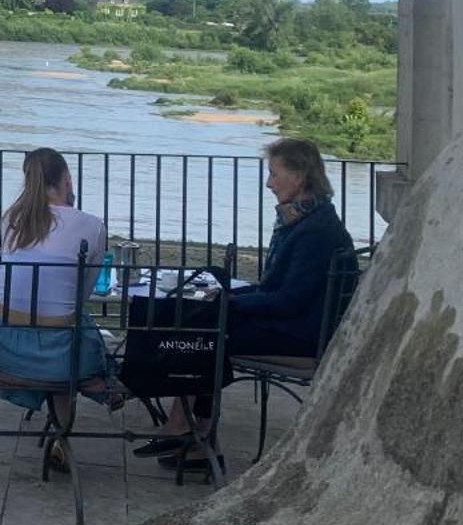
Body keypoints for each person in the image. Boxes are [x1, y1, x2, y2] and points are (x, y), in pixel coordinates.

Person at [139, 135, 358, 474]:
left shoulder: (313, 231)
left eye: (274, 173)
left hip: (301, 335)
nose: (269, 183)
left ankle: (188, 433)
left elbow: (289, 300)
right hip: (294, 324)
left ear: (298, 177)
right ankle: (192, 437)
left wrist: (230, 304)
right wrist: (227, 298)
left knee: (207, 336)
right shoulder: (305, 220)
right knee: (204, 326)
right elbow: (276, 289)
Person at [0, 148, 116, 472]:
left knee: (52, 332)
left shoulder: (10, 219)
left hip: (7, 352)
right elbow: (83, 295)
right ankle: (75, 420)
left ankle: (67, 427)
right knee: (73, 331)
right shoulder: (92, 226)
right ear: (67, 179)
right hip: (63, 357)